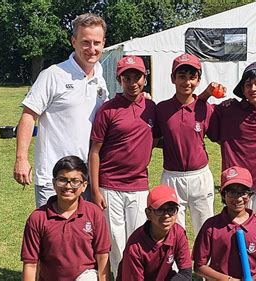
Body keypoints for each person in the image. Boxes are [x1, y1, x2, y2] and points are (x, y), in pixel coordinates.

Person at [13, 13, 108, 208]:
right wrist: (21, 159)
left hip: (85, 179)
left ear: (103, 43)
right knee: (52, 236)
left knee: (82, 237)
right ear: (74, 42)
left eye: (96, 43)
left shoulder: (100, 75)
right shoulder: (53, 75)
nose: (92, 49)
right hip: (54, 179)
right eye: (85, 42)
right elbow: (29, 116)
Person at [89, 55, 159, 277]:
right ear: (119, 80)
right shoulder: (108, 110)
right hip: (110, 187)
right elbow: (94, 151)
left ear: (144, 78)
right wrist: (95, 189)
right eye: (126, 78)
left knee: (139, 239)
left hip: (139, 186)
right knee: (116, 243)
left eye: (137, 77)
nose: (133, 83)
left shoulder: (151, 107)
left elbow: (154, 139)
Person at [207, 61, 256, 212]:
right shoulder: (227, 109)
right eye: (248, 85)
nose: (253, 89)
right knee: (232, 227)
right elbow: (197, 110)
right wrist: (206, 93)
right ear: (242, 89)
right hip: (234, 183)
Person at [21, 156, 111, 281]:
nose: (68, 186)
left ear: (84, 185)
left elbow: (102, 256)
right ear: (54, 183)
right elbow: (30, 264)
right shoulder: (37, 218)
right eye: (62, 180)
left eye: (75, 181)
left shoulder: (94, 214)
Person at [156, 53, 217, 236]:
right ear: (173, 78)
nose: (187, 82)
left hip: (200, 176)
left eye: (192, 77)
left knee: (205, 228)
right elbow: (153, 139)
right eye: (182, 76)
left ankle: (204, 265)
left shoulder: (206, 108)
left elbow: (221, 135)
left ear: (198, 81)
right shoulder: (161, 108)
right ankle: (176, 265)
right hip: (172, 177)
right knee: (174, 230)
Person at [192, 166, 256, 280]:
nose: (238, 198)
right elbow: (199, 266)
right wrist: (226, 279)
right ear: (223, 194)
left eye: (244, 192)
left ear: (250, 194)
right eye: (232, 192)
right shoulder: (211, 226)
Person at [117, 185, 192, 281]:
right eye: (160, 210)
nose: (166, 215)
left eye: (171, 209)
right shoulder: (135, 247)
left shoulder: (178, 233)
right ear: (148, 213)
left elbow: (186, 273)